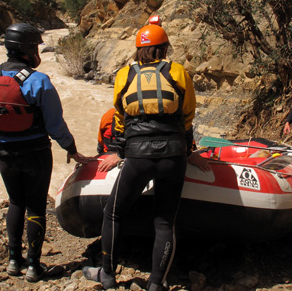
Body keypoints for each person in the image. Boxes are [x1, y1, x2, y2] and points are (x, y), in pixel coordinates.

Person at [83, 23, 210, 291]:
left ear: (138, 50)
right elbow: (188, 115)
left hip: (138, 157)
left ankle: (107, 275)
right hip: (173, 156)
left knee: (114, 214)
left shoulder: (124, 74)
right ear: (164, 48)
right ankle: (156, 283)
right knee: (164, 221)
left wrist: (118, 151)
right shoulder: (177, 71)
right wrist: (189, 150)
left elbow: (120, 116)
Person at [0, 23, 88, 282]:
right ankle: (34, 266)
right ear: (26, 50)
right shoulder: (38, 81)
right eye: (35, 46)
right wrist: (71, 148)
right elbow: (55, 124)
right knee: (35, 204)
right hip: (35, 152)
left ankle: (14, 261)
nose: (37, 51)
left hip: (4, 152)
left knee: (16, 202)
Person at [96, 107, 121, 172]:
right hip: (108, 154)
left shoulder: (109, 115)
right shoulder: (108, 116)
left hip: (131, 155)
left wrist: (120, 156)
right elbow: (101, 143)